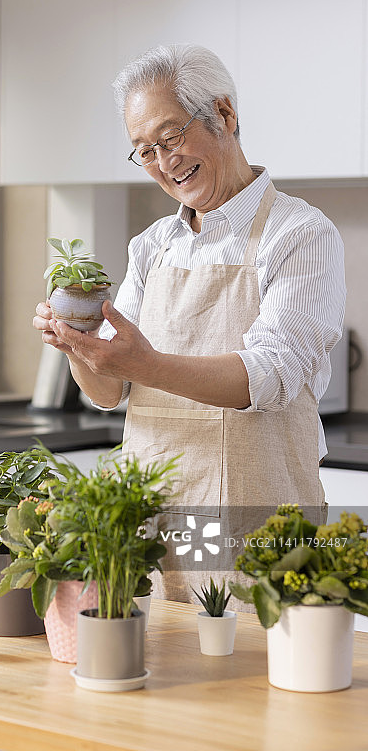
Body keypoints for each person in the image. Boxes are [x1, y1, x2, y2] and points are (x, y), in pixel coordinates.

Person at [33, 44, 346, 606]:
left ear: (223, 115)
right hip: (157, 519)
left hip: (256, 515)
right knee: (161, 674)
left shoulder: (301, 234)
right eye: (144, 150)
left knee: (250, 678)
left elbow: (268, 377)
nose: (163, 161)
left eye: (170, 137)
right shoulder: (152, 246)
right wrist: (76, 346)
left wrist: (140, 362)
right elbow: (109, 393)